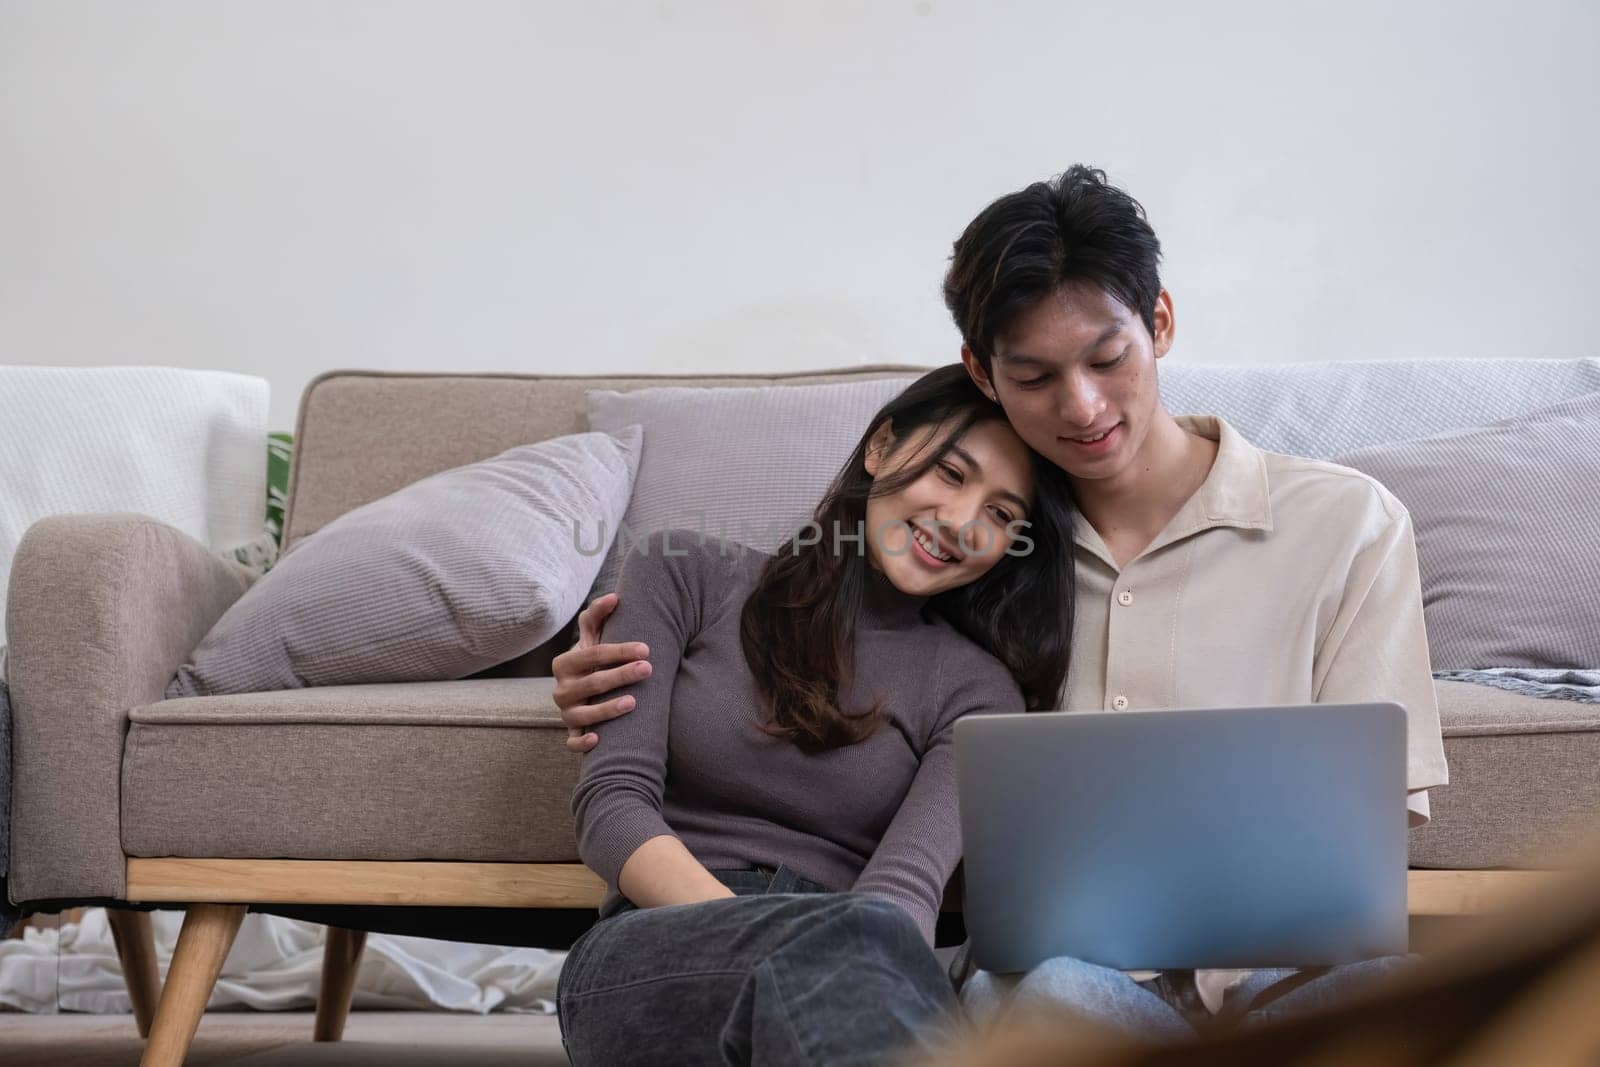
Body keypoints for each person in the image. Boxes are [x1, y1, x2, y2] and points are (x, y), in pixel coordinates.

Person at [553, 165, 1450, 1039]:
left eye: (1109, 358)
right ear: (979, 374)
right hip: (1035, 978)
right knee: (1039, 992)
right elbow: (639, 781)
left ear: (1162, 322)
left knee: (1396, 996)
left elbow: (1368, 823)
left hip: (1267, 973)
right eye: (1036, 379)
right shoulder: (980, 583)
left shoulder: (1341, 525)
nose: (1085, 405)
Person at [555, 365, 1080, 1066]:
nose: (961, 523)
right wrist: (783, 932)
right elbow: (612, 806)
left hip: (865, 950)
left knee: (872, 954)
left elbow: (906, 889)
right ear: (882, 446)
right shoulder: (685, 572)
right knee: (860, 957)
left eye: (1000, 514)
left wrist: (837, 950)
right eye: (952, 474)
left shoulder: (978, 689)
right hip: (659, 941)